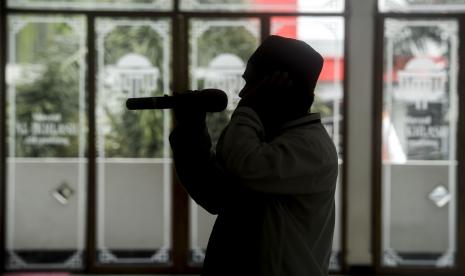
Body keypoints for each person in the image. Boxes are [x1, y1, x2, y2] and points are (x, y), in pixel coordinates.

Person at [169, 35, 338, 276]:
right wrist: (191, 131)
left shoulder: (311, 147)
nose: (243, 93)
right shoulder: (262, 139)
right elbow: (214, 195)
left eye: (252, 84)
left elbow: (245, 168)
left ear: (279, 85)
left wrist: (250, 108)